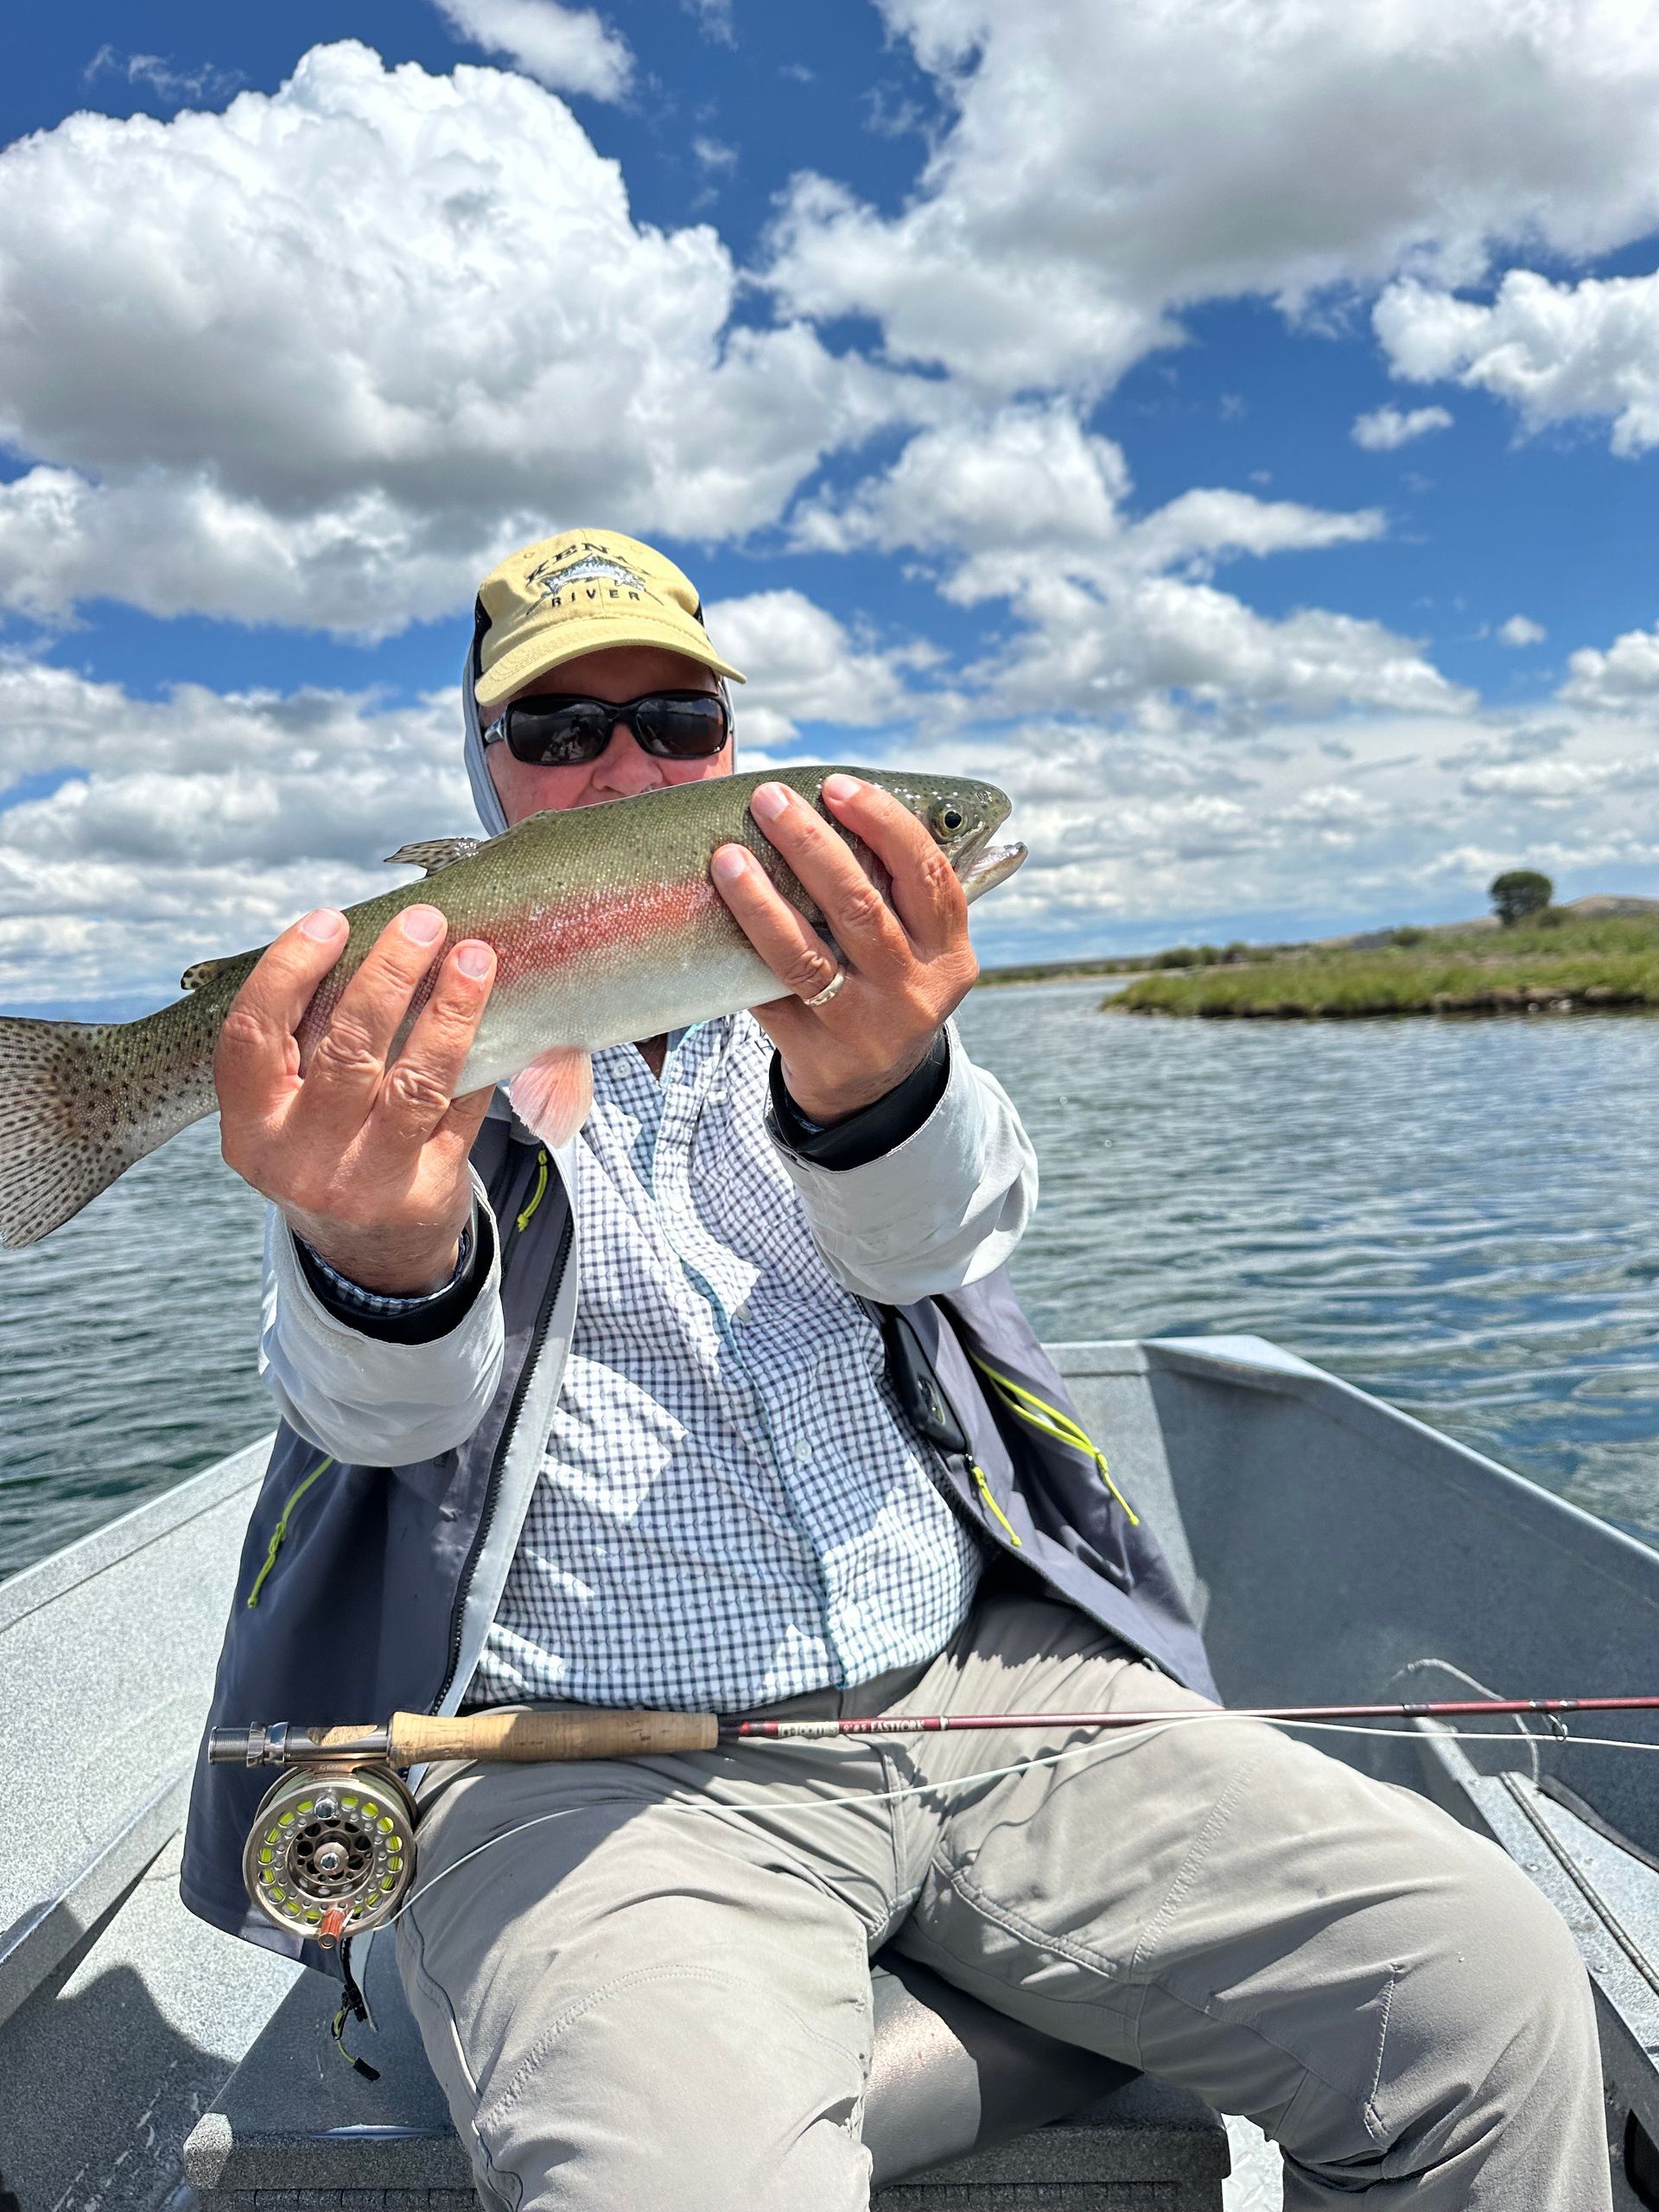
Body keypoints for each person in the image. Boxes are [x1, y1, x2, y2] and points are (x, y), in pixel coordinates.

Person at [182, 530, 1611, 2211]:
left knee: (1493, 1993)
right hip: (583, 1761)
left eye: (670, 712)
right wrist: (384, 1242)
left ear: (731, 743)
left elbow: (944, 1228)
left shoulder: (848, 1000)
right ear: (485, 770)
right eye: (560, 731)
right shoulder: (414, 1074)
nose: (624, 756)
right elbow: (376, 1412)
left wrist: (884, 1081)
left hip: (987, 1691)